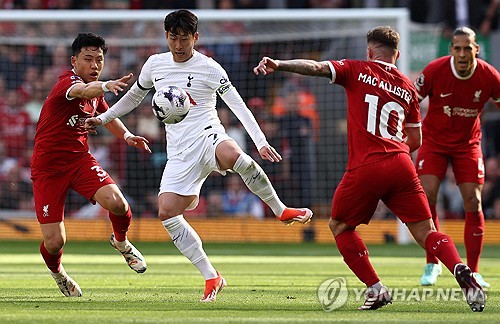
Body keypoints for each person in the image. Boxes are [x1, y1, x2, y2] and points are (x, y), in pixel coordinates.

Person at [84, 9, 313, 303]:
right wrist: (103, 119)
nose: (179, 45)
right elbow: (133, 97)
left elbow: (238, 106)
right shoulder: (155, 65)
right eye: (173, 38)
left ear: (196, 38)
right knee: (167, 211)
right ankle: (211, 276)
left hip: (209, 135)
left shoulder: (211, 68)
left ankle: (280, 210)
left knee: (235, 155)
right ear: (166, 37)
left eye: (184, 39)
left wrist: (260, 140)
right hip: (179, 151)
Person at [253, 26, 485, 312]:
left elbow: (314, 67)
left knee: (339, 225)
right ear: (397, 55)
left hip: (366, 165)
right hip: (401, 164)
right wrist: (394, 155)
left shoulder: (355, 69)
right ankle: (461, 268)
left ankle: (376, 289)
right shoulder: (408, 87)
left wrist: (280, 64)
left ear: (369, 51)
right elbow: (416, 139)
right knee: (427, 231)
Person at [31, 32, 150, 297]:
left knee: (118, 203)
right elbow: (83, 91)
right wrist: (107, 85)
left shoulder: (95, 90)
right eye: (88, 59)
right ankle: (58, 273)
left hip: (79, 161)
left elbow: (106, 116)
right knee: (54, 241)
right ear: (74, 61)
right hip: (48, 169)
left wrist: (128, 136)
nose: (95, 65)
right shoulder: (68, 83)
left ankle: (121, 242)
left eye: (99, 59)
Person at [414, 26, 500, 288]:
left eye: (467, 48)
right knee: (427, 195)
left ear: (477, 49)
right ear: (451, 50)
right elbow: (412, 102)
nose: (463, 54)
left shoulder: (489, 76)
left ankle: (472, 271)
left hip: (467, 144)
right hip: (434, 141)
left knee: (473, 201)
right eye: (458, 48)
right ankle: (432, 263)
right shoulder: (434, 70)